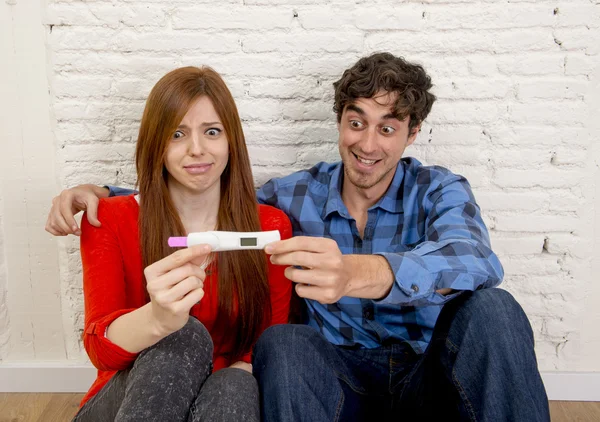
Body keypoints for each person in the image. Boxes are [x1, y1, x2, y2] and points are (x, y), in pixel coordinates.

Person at [46, 53, 550, 421]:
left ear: (412, 133)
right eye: (356, 123)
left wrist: (363, 272)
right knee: (283, 341)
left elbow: (475, 258)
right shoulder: (294, 197)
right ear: (339, 123)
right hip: (339, 380)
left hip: (428, 373)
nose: (368, 144)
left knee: (495, 308)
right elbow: (211, 195)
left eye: (387, 128)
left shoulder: (438, 189)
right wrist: (103, 195)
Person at [67, 66, 292, 422]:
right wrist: (158, 318)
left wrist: (235, 373)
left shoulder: (270, 226)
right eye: (177, 133)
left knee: (234, 384)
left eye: (212, 132)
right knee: (182, 335)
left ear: (231, 140)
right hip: (125, 402)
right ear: (156, 142)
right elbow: (100, 350)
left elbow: (263, 346)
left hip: (221, 400)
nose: (197, 150)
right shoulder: (108, 219)